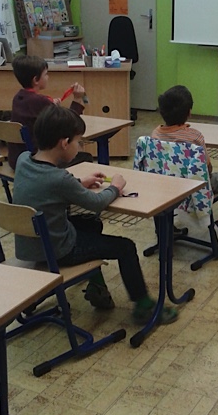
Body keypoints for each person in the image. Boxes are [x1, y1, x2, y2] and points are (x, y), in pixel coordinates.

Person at [12, 105, 177, 323]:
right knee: (126, 247)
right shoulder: (59, 179)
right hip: (57, 250)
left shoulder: (24, 160)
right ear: (64, 143)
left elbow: (47, 187)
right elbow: (96, 203)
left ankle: (97, 287)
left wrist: (79, 183)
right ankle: (144, 307)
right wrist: (115, 187)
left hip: (30, 245)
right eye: (78, 142)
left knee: (91, 224)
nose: (79, 147)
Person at [152, 85, 218, 248]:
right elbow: (207, 169)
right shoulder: (194, 137)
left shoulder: (155, 134)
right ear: (189, 112)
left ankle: (165, 228)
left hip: (165, 188)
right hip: (192, 191)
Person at [8, 54, 89, 170]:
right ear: (36, 80)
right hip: (36, 163)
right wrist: (77, 99)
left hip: (17, 160)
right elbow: (71, 125)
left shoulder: (18, 98)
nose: (48, 77)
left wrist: (51, 107)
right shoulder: (40, 101)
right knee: (85, 157)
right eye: (46, 74)